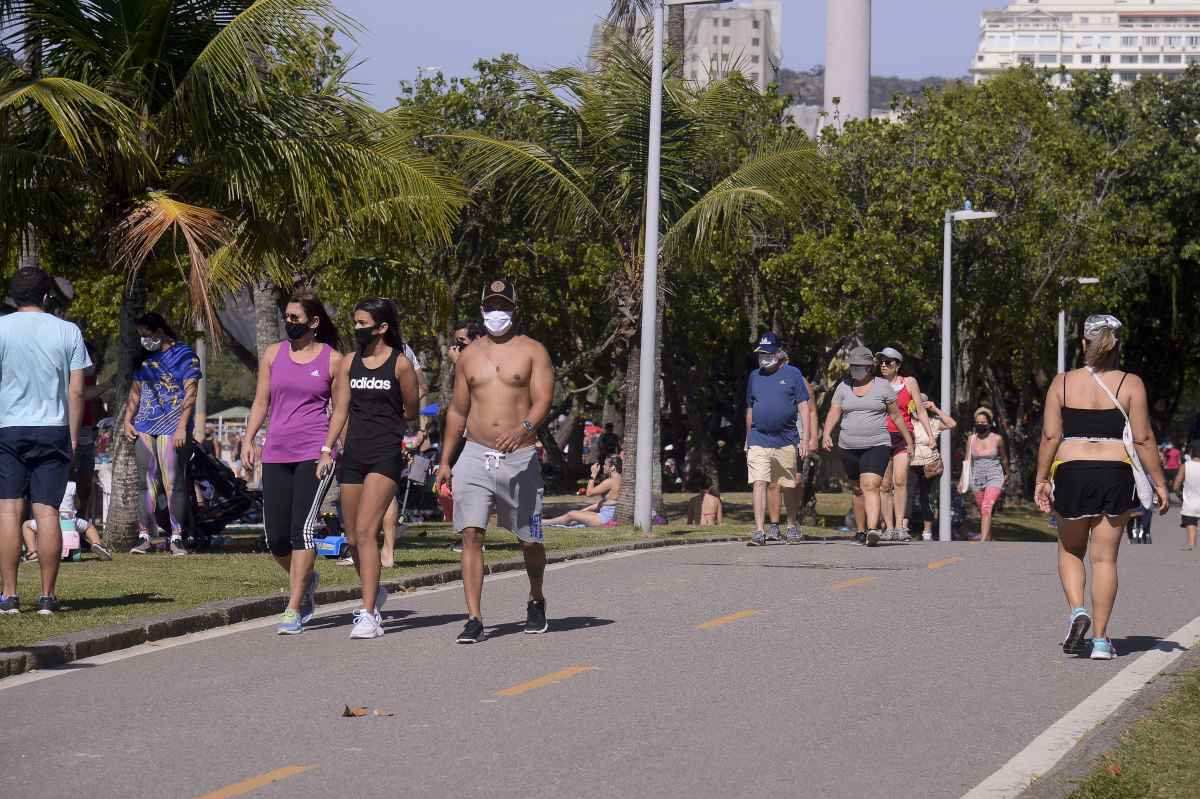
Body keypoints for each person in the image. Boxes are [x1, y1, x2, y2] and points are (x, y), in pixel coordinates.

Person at [1034, 314, 1169, 661]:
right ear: (1116, 345)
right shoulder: (1131, 384)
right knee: (1105, 558)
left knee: (1070, 550)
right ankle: (1100, 641)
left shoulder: (1062, 383)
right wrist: (1160, 484)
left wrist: (1041, 479)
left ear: (1083, 344)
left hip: (1072, 471)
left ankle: (1078, 609)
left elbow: (1051, 436)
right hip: (1115, 472)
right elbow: (1142, 438)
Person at [434, 278, 554, 644]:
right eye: (491, 305)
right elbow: (457, 409)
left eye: (503, 305)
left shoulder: (533, 351)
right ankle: (474, 617)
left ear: (514, 310)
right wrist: (445, 460)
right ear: (482, 308)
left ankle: (536, 597)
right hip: (474, 453)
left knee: (529, 539)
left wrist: (524, 429)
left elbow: (543, 400)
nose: (496, 311)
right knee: (471, 533)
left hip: (519, 457)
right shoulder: (469, 356)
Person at [242, 291, 343, 635]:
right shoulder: (274, 354)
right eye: (286, 317)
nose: (288, 323)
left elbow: (341, 410)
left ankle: (294, 607)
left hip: (313, 453)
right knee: (276, 538)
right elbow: (260, 402)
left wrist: (328, 449)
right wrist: (248, 438)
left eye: (295, 318)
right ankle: (307, 580)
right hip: (275, 452)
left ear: (313, 322)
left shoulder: (332, 360)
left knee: (302, 531)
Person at [324, 298, 420, 639]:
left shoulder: (400, 365)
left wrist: (390, 419)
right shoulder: (350, 362)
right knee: (351, 536)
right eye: (356, 322)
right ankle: (373, 590)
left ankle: (368, 615)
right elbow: (340, 411)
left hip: (385, 456)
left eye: (363, 323)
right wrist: (326, 449)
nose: (357, 328)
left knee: (367, 531)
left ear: (381, 328)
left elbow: (412, 410)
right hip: (353, 455)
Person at [0, 268, 90, 615]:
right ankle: (47, 597)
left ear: (12, 298)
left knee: (8, 510)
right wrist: (70, 437)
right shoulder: (68, 331)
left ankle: (9, 595)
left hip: (8, 428)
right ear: (47, 296)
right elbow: (77, 389)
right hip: (53, 428)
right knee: (47, 510)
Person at [124, 312, 201, 556]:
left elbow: (191, 392)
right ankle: (144, 537)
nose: (144, 340)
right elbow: (136, 391)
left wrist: (182, 427)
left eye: (147, 335)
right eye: (141, 336)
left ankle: (177, 537)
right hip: (145, 426)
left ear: (160, 331)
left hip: (172, 427)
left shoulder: (184, 355)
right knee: (145, 484)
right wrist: (128, 419)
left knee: (173, 483)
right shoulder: (144, 360)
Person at [822, 345, 913, 547]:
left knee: (870, 485)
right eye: (853, 366)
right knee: (857, 489)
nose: (856, 369)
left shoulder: (882, 386)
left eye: (860, 366)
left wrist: (908, 440)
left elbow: (896, 415)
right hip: (848, 445)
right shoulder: (843, 386)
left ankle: (873, 530)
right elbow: (834, 412)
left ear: (869, 366)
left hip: (877, 443)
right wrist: (827, 432)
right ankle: (861, 530)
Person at [744, 332, 813, 546]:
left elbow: (804, 407)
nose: (764, 357)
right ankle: (759, 530)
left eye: (768, 353)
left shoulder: (793, 374)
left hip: (786, 439)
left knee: (789, 485)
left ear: (778, 353)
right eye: (761, 353)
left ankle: (792, 525)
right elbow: (750, 408)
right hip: (758, 438)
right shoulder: (754, 376)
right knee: (759, 482)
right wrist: (747, 437)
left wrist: (805, 438)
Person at [876, 347, 935, 540]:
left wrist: (930, 435)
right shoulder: (876, 384)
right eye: (881, 362)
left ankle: (901, 526)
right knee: (884, 485)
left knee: (900, 481)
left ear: (898, 365)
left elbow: (921, 410)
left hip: (904, 436)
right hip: (881, 437)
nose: (884, 365)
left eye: (888, 362)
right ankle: (889, 527)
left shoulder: (909, 382)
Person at [765, 349, 819, 540]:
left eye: (784, 359)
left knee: (794, 483)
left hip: (795, 439)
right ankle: (773, 526)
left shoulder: (799, 380)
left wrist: (812, 438)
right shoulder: (765, 380)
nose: (781, 363)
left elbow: (811, 410)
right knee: (772, 484)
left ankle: (791, 523)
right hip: (771, 438)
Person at [21, 479, 111, 562]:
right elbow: (77, 505)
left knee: (26, 525)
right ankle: (97, 543)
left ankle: (32, 551)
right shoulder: (72, 486)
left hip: (49, 522)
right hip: (70, 522)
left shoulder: (45, 485)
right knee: (89, 526)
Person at [907, 394, 956, 541]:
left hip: (929, 464)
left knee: (926, 497)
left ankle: (926, 532)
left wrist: (935, 409)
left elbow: (952, 424)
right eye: (914, 402)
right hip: (911, 463)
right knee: (907, 495)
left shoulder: (933, 422)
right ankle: (903, 527)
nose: (917, 406)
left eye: (920, 403)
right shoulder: (907, 422)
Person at [961, 408, 1009, 542]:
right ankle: (988, 539)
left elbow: (1004, 458)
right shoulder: (971, 439)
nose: (980, 425)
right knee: (984, 510)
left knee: (986, 506)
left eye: (983, 422)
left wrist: (1007, 473)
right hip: (977, 478)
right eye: (977, 422)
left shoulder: (997, 439)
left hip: (994, 476)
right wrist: (962, 480)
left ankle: (982, 543)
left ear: (989, 423)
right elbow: (967, 461)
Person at [544, 456, 621, 527]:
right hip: (608, 515)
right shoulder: (620, 479)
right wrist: (585, 510)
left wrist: (593, 475)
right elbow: (607, 502)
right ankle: (551, 521)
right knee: (576, 516)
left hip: (604, 518)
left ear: (613, 467)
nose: (603, 467)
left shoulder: (610, 481)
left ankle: (543, 523)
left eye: (605, 464)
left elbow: (589, 493)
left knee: (571, 514)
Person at [1173, 440, 1200, 552]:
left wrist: (1179, 495)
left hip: (1190, 503)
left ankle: (1191, 542)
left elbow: (1176, 486)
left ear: (1191, 452)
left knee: (1191, 522)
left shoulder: (1185, 466)